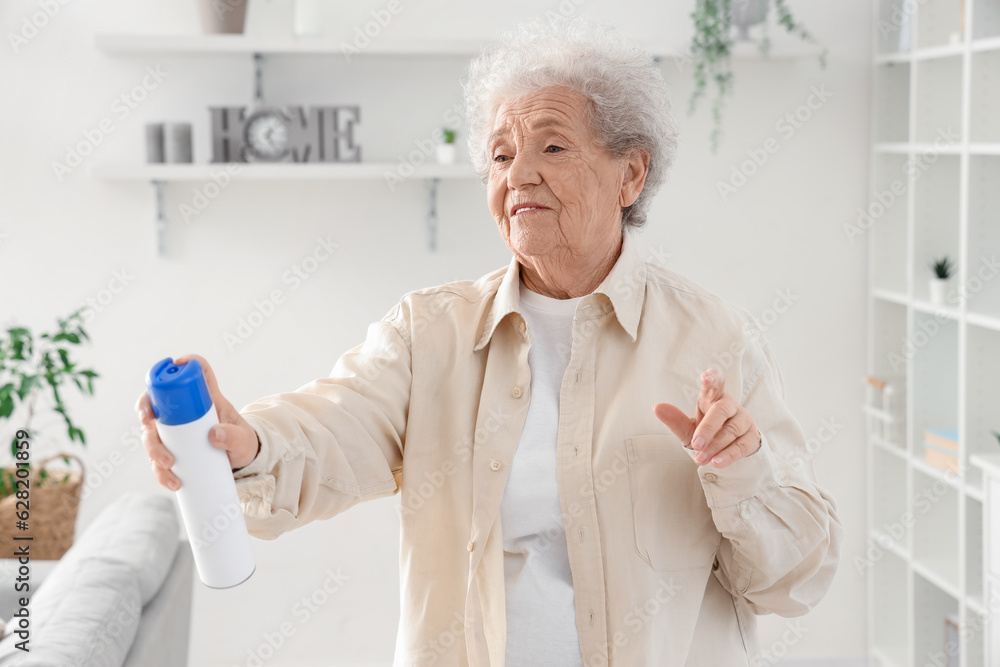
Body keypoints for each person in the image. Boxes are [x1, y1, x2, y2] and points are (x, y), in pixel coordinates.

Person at [136, 16, 843, 667]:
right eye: (500, 155)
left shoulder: (711, 337)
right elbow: (332, 428)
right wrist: (248, 441)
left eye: (552, 146)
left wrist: (741, 469)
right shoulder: (429, 333)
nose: (517, 175)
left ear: (631, 173)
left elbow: (796, 575)